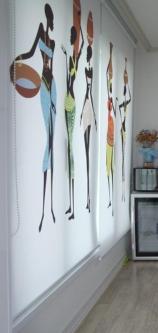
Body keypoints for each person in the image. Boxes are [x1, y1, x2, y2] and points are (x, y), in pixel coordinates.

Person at [13, 4, 56, 231]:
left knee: (54, 145)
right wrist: (15, 61)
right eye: (49, 16)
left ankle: (50, 206)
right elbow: (30, 54)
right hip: (44, 87)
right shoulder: (41, 30)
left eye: (51, 18)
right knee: (47, 145)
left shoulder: (55, 43)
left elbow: (53, 65)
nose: (50, 21)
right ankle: (42, 209)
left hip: (54, 88)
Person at [62, 25, 84, 220]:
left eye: (72, 35)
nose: (71, 38)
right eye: (71, 35)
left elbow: (82, 45)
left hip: (72, 104)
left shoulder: (74, 58)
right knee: (68, 149)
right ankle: (71, 205)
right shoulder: (68, 55)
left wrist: (83, 36)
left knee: (70, 152)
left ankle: (73, 206)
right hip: (66, 104)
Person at [81, 43, 96, 212]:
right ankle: (87, 198)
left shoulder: (90, 69)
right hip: (86, 109)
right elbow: (87, 93)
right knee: (86, 153)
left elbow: (90, 94)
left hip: (89, 110)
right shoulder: (84, 67)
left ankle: (88, 198)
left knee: (88, 154)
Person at [118, 58, 131, 202]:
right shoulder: (122, 104)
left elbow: (130, 97)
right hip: (121, 129)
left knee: (122, 159)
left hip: (124, 130)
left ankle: (122, 193)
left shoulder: (125, 102)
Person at [106, 43, 116, 212]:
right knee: (108, 167)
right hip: (109, 136)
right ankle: (109, 198)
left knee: (111, 167)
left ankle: (110, 198)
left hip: (113, 135)